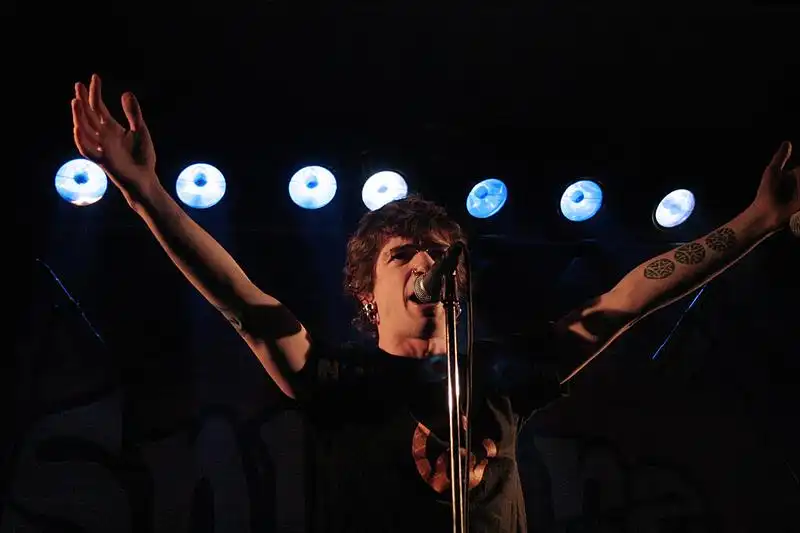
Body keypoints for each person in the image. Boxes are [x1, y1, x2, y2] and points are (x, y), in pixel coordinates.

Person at [70, 74, 799, 533]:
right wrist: (146, 193)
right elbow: (240, 298)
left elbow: (629, 298)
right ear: (368, 294)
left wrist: (759, 220)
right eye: (403, 254)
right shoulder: (339, 381)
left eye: (441, 253)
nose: (426, 261)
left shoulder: (503, 377)